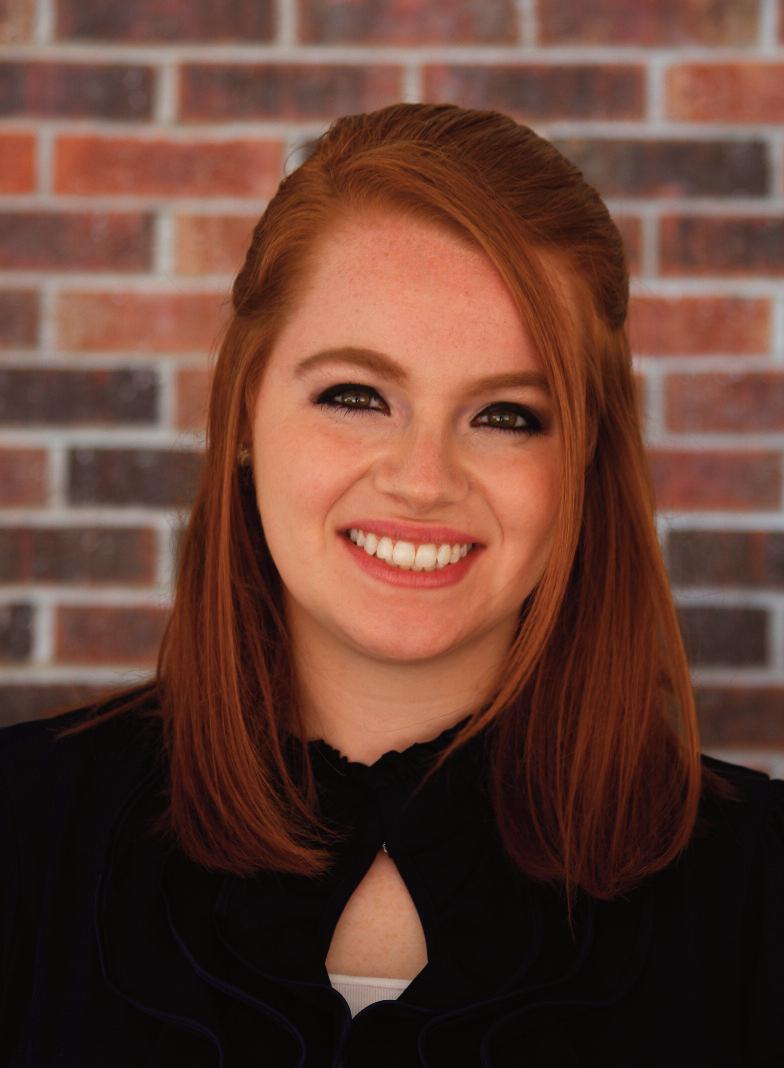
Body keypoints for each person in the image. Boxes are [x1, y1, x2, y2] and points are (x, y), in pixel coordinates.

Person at [0, 102, 781, 1067]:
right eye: (356, 396)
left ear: (584, 458)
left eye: (506, 415)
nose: (422, 480)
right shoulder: (22, 830)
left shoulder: (761, 893)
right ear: (243, 414)